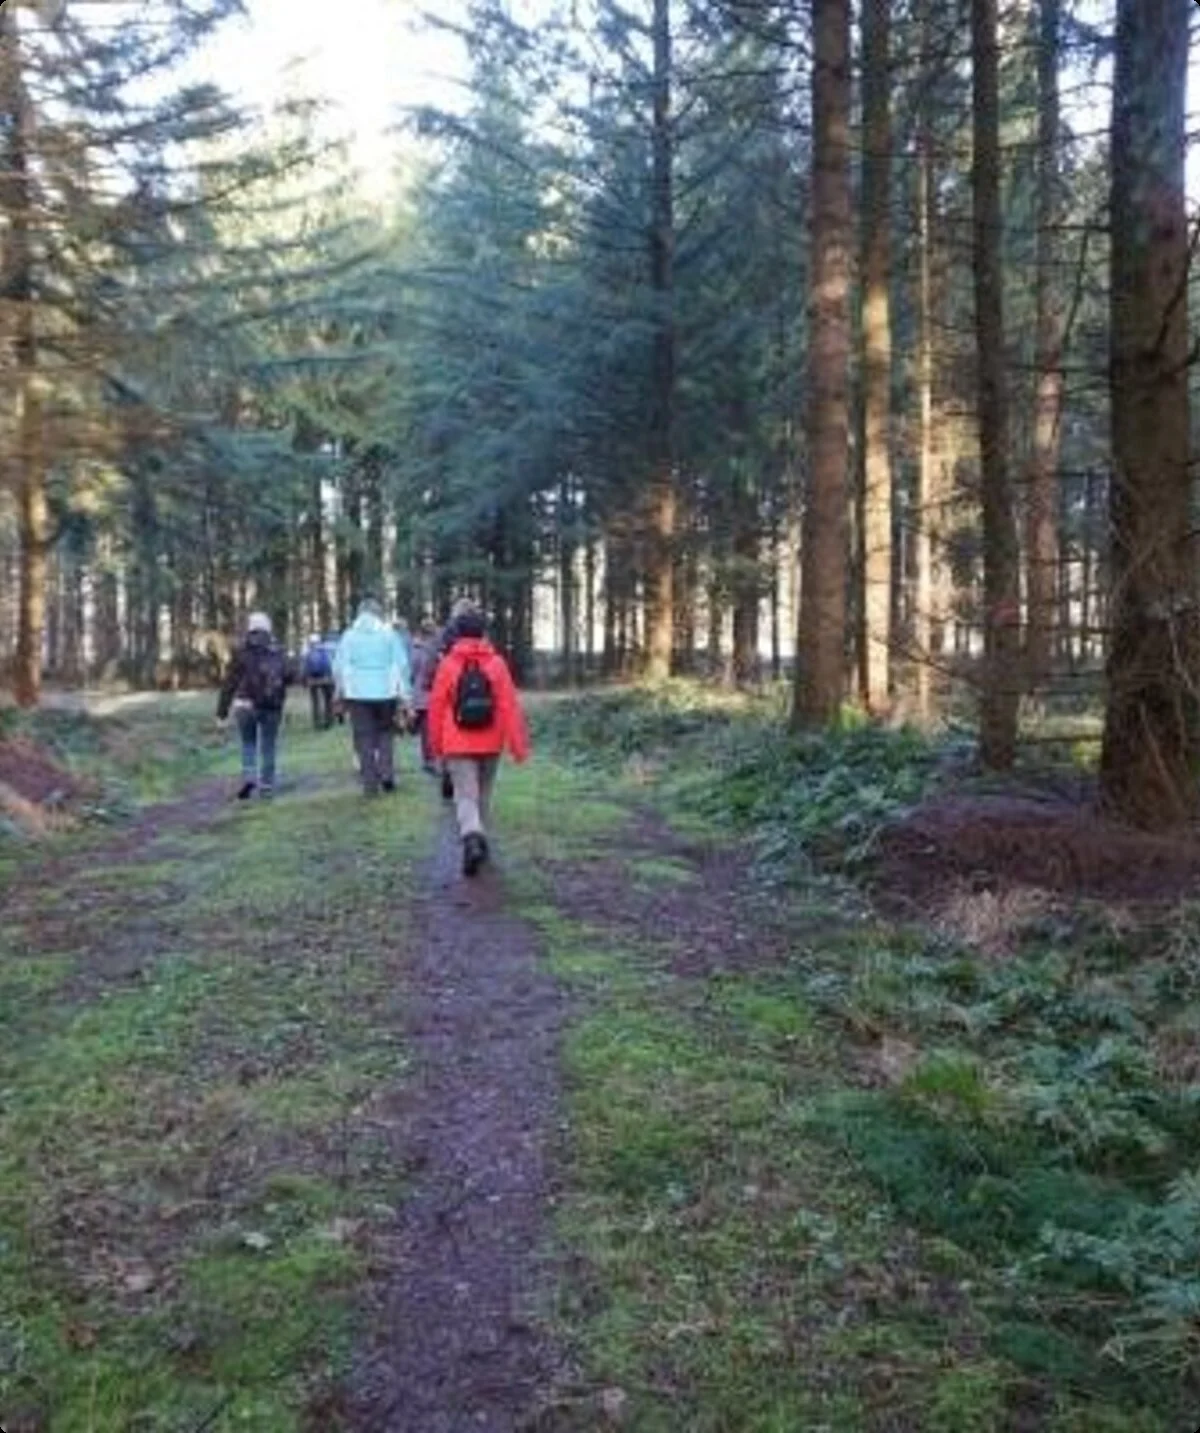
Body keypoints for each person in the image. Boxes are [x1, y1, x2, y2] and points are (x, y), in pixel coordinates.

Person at [428, 599, 530, 876]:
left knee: (465, 795)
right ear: (483, 633)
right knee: (482, 794)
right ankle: (479, 841)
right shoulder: (497, 664)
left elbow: (436, 706)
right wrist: (518, 746)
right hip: (491, 741)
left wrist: (436, 746)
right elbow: (509, 705)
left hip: (457, 742)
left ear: (458, 633)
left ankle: (472, 837)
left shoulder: (448, 664)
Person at [334, 597, 413, 796]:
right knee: (386, 733)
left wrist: (340, 691)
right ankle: (387, 775)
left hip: (357, 694)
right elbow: (402, 664)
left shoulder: (349, 636)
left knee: (364, 737)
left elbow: (339, 666)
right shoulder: (389, 635)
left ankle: (369, 782)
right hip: (386, 692)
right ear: (378, 613)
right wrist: (405, 694)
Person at [216, 611, 292, 800]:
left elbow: (229, 684)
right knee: (268, 745)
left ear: (250, 628)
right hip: (272, 705)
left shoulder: (241, 652)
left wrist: (221, 712)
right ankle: (267, 785)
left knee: (248, 743)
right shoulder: (277, 650)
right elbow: (290, 675)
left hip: (244, 705)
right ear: (268, 628)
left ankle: (249, 776)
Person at [409, 617, 440, 774]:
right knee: (434, 728)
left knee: (425, 730)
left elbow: (412, 670)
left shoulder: (416, 647)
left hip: (421, 693)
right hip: (438, 693)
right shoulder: (440, 646)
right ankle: (435, 758)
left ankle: (429, 759)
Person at [302, 633, 336, 729]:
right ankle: (329, 720)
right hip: (326, 678)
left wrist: (304, 680)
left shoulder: (307, 652)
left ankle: (316, 722)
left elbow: (304, 667)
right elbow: (329, 664)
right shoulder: (325, 650)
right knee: (327, 700)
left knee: (315, 701)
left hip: (312, 679)